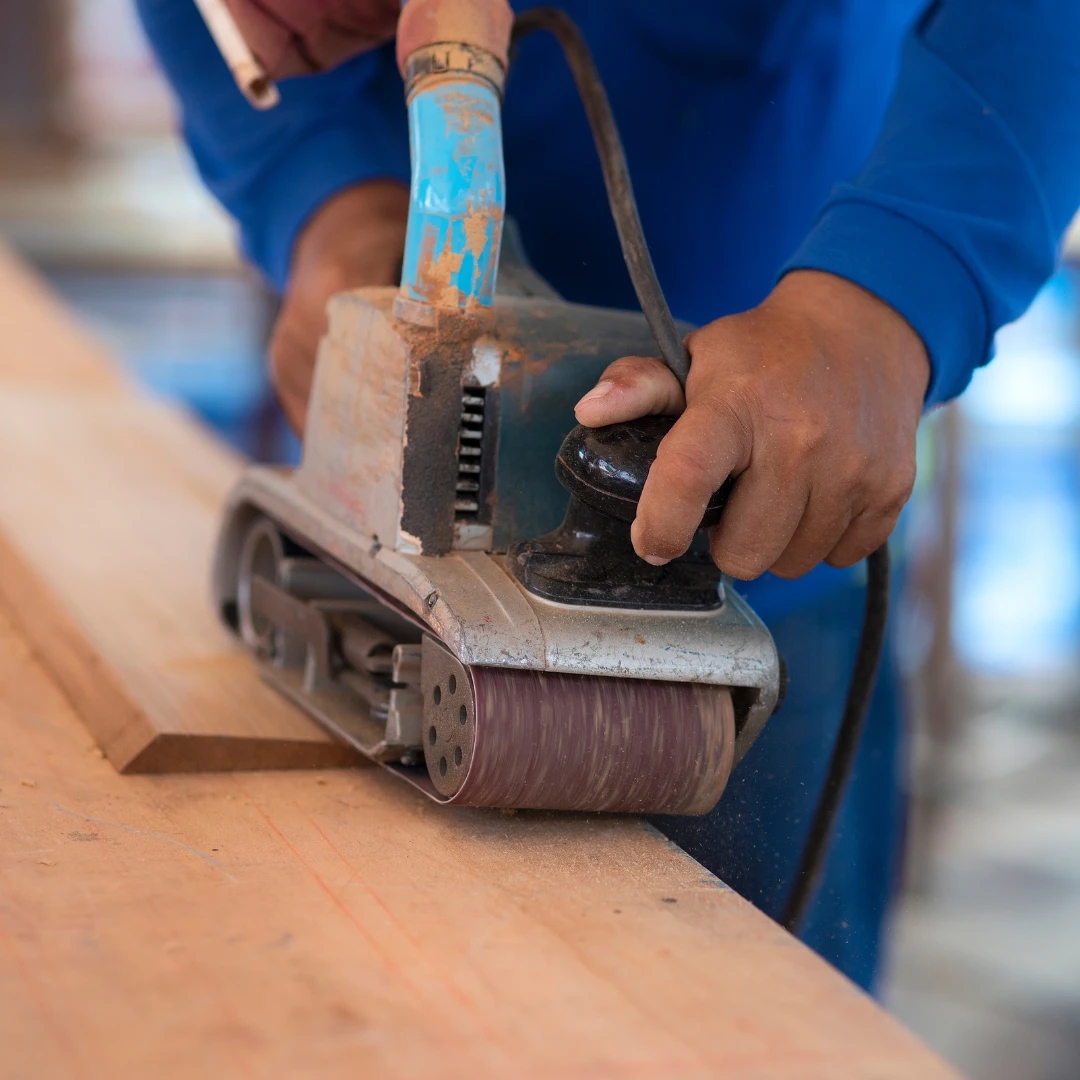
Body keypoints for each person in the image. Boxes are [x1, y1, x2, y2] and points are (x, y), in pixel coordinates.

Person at [135, 0, 1080, 991]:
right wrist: (327, 190)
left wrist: (895, 282)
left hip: (765, 501)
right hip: (393, 564)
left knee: (759, 1021)